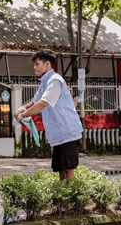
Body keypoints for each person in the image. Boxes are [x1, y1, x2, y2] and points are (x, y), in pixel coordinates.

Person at [14, 49, 83, 180]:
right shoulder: (44, 83)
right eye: (34, 64)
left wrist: (24, 115)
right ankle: (63, 200)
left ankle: (69, 200)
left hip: (68, 132)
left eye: (37, 64)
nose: (34, 68)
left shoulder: (55, 81)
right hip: (58, 134)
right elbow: (35, 101)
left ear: (47, 65)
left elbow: (43, 103)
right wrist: (22, 108)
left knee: (68, 170)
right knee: (60, 171)